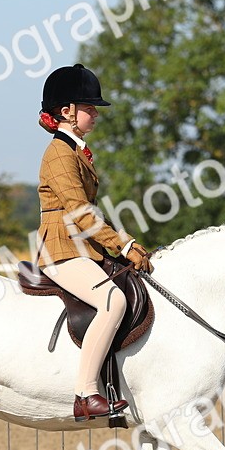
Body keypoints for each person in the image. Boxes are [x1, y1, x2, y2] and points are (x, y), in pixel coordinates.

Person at [34, 63, 153, 422]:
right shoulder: (58, 153)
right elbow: (81, 212)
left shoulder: (75, 151)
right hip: (61, 249)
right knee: (112, 301)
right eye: (89, 108)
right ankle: (86, 393)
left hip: (82, 247)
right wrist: (124, 244)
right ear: (66, 111)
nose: (94, 115)